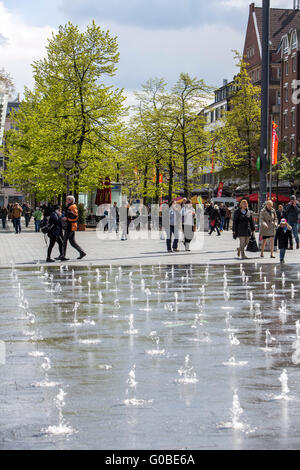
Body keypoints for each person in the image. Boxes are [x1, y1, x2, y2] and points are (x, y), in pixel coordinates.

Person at [62, 195, 86, 260]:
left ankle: (63, 255)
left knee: (64, 241)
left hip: (70, 226)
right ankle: (82, 252)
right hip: (71, 226)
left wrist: (66, 218)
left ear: (71, 200)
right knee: (72, 242)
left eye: (67, 199)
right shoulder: (70, 206)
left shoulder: (72, 206)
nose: (66, 201)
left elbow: (75, 216)